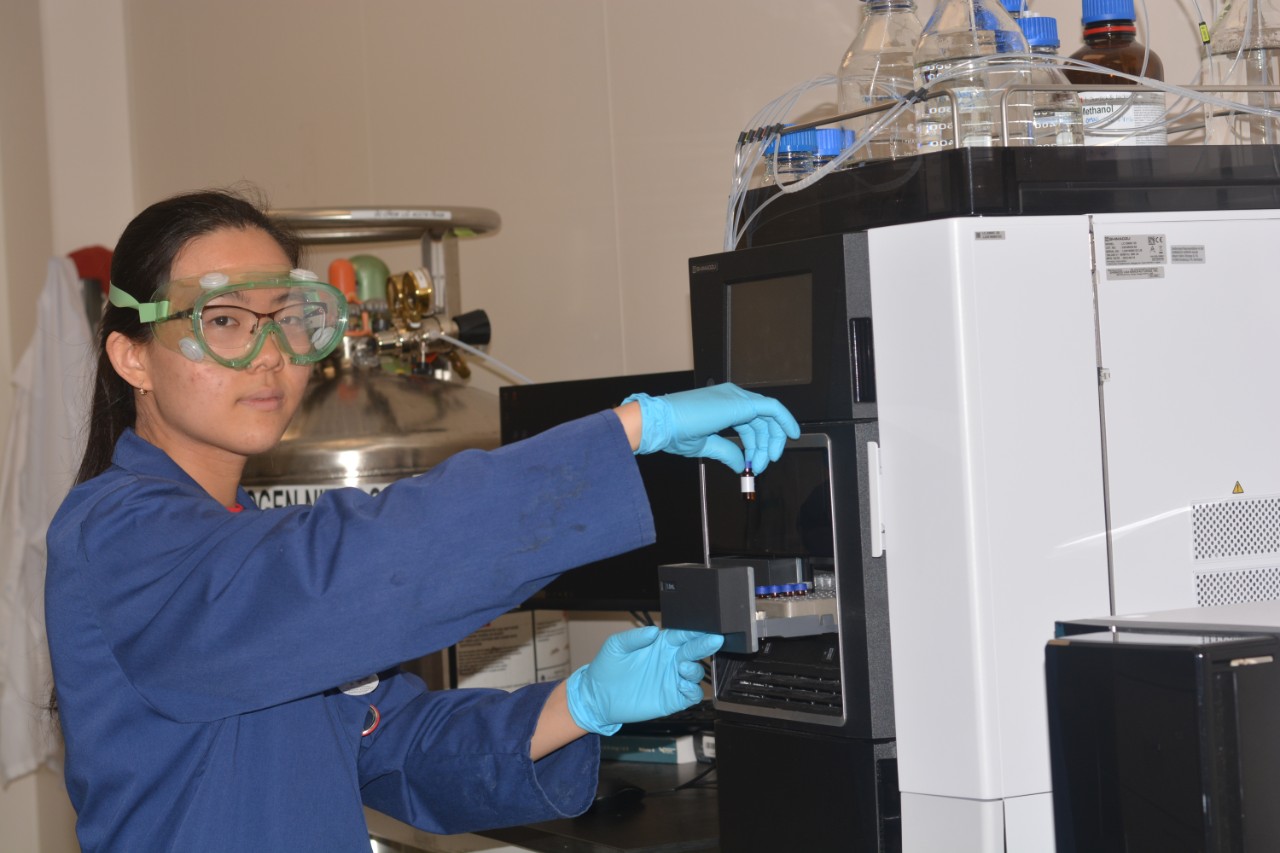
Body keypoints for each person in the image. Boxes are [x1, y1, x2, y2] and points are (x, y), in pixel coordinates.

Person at [44, 189, 800, 852]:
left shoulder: (242, 540)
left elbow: (396, 747)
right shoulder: (122, 536)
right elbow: (350, 572)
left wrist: (583, 702)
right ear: (132, 355)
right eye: (225, 320)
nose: (270, 355)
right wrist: (628, 430)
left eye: (293, 318)